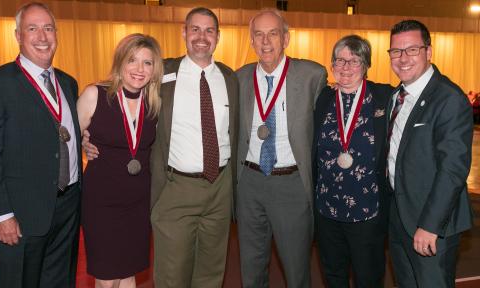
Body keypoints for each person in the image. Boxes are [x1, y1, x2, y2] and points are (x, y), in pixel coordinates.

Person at [83, 7, 239, 287]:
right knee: (171, 273)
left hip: (221, 187)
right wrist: (86, 135)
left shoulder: (230, 78)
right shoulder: (161, 73)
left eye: (209, 30)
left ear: (218, 36)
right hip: (175, 186)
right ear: (183, 33)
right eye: (195, 29)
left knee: (211, 270)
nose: (201, 37)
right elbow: (119, 97)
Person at [0, 2, 81, 287]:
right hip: (20, 214)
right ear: (18, 35)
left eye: (48, 28)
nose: (42, 36)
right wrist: (1, 214)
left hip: (67, 208)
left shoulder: (68, 83)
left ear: (56, 33)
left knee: (59, 282)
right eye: (32, 28)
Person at [235, 9, 327, 287]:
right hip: (249, 182)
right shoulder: (239, 78)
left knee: (296, 270)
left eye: (272, 33)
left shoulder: (312, 75)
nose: (265, 41)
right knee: (251, 269)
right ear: (251, 40)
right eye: (258, 35)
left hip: (291, 184)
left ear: (285, 38)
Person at [387, 19, 474, 287]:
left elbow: (453, 170)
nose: (403, 58)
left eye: (412, 50)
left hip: (430, 226)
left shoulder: (448, 99)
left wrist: (429, 226)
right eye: (396, 51)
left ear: (429, 52)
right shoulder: (396, 96)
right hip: (399, 218)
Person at [76, 33, 162, 288]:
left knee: (128, 273)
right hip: (101, 203)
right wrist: (83, 144)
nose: (139, 69)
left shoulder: (155, 103)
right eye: (132, 60)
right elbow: (66, 140)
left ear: (154, 69)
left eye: (147, 63)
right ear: (120, 62)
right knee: (106, 275)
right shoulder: (95, 95)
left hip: (138, 202)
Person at [313, 35, 392, 287]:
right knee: (333, 275)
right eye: (340, 60)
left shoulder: (384, 97)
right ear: (332, 64)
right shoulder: (324, 98)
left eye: (354, 60)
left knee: (368, 278)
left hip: (367, 211)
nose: (346, 67)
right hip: (327, 209)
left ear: (366, 65)